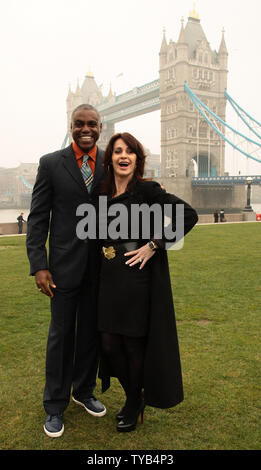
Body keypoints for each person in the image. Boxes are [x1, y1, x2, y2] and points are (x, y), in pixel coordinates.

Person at [91, 132, 198, 432]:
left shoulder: (148, 190)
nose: (123, 156)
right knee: (109, 345)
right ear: (109, 159)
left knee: (133, 346)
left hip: (137, 281)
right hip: (108, 280)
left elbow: (188, 215)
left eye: (130, 152)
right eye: (117, 151)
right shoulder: (100, 194)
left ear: (137, 159)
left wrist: (154, 245)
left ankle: (132, 402)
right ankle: (134, 395)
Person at [26, 104, 106, 438]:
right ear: (70, 126)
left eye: (91, 124)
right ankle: (55, 405)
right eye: (79, 124)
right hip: (62, 267)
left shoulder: (110, 162)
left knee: (91, 333)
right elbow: (38, 218)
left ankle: (83, 390)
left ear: (101, 126)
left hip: (101, 267)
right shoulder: (50, 164)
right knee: (61, 336)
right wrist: (39, 265)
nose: (85, 129)